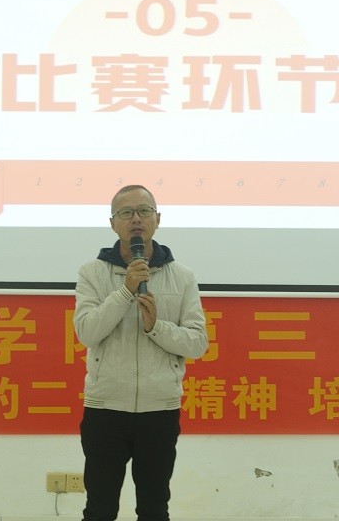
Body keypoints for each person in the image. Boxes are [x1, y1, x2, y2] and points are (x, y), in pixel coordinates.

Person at [73, 184, 208, 521]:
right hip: (105, 409)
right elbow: (87, 332)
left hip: (159, 410)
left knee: (154, 508)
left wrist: (156, 327)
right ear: (113, 223)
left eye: (144, 211)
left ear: (157, 219)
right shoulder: (92, 273)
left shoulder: (183, 277)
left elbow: (197, 343)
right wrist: (125, 291)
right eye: (126, 212)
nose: (136, 219)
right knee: (99, 509)